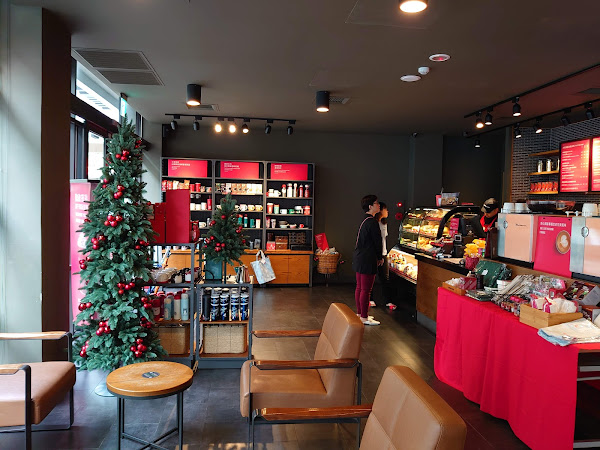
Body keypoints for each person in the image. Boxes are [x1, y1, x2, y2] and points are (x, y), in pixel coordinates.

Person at [353, 195, 383, 326]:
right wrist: (380, 257)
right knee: (366, 290)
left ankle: (360, 314)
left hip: (359, 257)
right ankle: (364, 317)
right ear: (370, 206)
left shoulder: (363, 220)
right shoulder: (372, 222)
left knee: (360, 287)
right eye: (376, 203)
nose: (379, 205)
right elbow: (377, 242)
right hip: (368, 259)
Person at [369, 202, 395, 309]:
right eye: (385, 209)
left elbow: (383, 240)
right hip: (375, 253)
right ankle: (370, 299)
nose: (387, 211)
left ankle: (388, 300)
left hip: (383, 253)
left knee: (385, 277)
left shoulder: (384, 223)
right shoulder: (373, 223)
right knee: (371, 277)